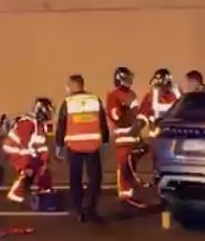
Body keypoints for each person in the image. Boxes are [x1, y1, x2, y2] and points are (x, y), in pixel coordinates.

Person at [55, 74, 109, 222]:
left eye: (68, 85)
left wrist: (59, 145)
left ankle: (78, 209)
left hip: (74, 146)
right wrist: (105, 141)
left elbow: (61, 124)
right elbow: (103, 122)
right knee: (95, 178)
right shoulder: (95, 100)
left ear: (73, 85)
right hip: (93, 146)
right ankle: (89, 207)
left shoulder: (68, 102)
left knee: (75, 179)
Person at [1, 97, 55, 205]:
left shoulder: (41, 126)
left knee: (43, 169)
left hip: (25, 151)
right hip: (14, 151)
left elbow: (42, 146)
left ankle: (45, 192)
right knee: (29, 170)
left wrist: (44, 162)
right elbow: (23, 145)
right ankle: (15, 195)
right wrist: (27, 166)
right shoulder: (27, 122)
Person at [105, 66, 144, 207]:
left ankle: (130, 194)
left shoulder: (132, 94)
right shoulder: (113, 96)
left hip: (133, 137)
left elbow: (138, 115)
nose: (130, 81)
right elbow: (117, 117)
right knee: (123, 167)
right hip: (123, 137)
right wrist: (129, 110)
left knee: (131, 166)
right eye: (127, 78)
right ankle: (124, 197)